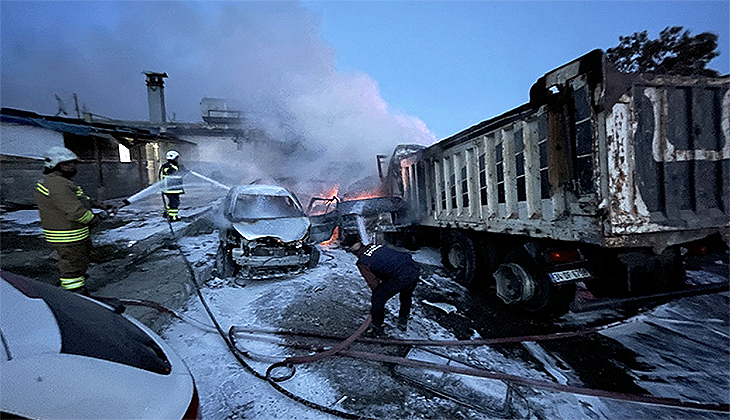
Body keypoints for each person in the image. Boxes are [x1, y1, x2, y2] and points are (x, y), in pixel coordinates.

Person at [34, 146, 113, 295]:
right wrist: (95, 218)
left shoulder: (60, 182)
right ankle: (75, 291)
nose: (73, 166)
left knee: (78, 260)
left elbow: (78, 198)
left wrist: (97, 204)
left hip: (72, 233)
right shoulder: (57, 184)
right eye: (67, 163)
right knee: (72, 264)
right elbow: (75, 211)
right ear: (55, 165)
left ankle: (76, 278)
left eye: (73, 163)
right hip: (68, 235)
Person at [350, 242, 420, 336]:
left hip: (400, 275)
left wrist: (378, 294)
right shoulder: (376, 246)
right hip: (413, 268)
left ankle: (377, 328)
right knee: (406, 295)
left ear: (355, 253)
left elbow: (373, 283)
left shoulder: (363, 262)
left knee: (377, 299)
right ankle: (402, 322)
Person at [159, 150, 185, 221]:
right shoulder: (167, 166)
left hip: (175, 189)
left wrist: (184, 170)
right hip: (169, 189)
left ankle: (166, 213)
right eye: (176, 158)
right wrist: (179, 169)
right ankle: (173, 217)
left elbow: (180, 174)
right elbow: (171, 172)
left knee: (173, 202)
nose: (177, 160)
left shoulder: (176, 166)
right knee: (174, 203)